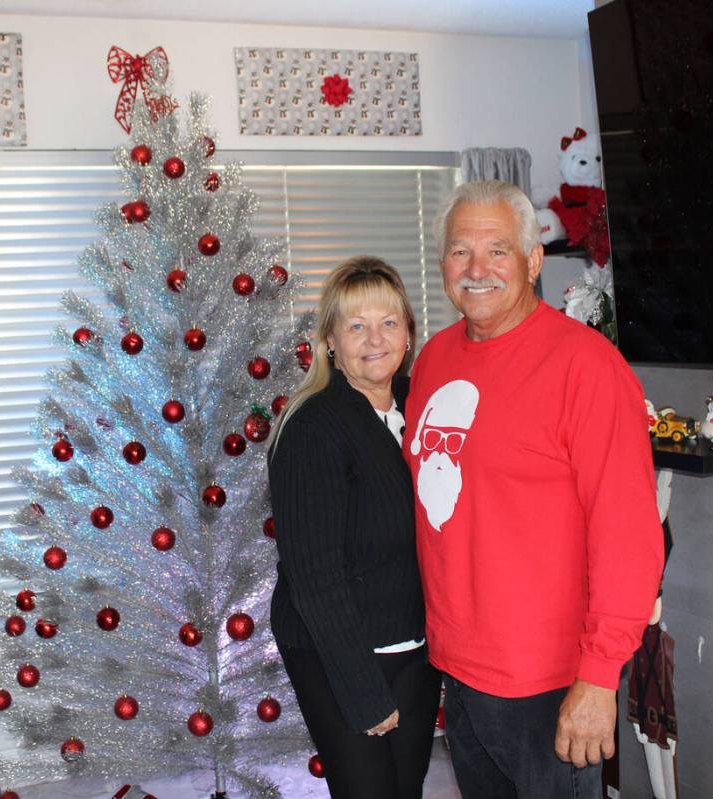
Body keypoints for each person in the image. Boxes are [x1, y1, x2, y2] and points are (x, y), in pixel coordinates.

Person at [404, 180, 664, 799]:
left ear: (533, 259)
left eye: (497, 250)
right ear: (442, 263)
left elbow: (628, 536)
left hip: (549, 681)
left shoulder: (587, 366)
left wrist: (600, 677)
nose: (476, 269)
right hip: (458, 669)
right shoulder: (433, 361)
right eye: (459, 251)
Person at [267, 256, 441, 799]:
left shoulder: (424, 408)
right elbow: (315, 577)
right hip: (339, 653)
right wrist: (362, 690)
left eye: (389, 323)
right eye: (356, 325)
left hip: (414, 647)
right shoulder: (314, 427)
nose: (374, 339)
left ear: (409, 335)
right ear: (330, 343)